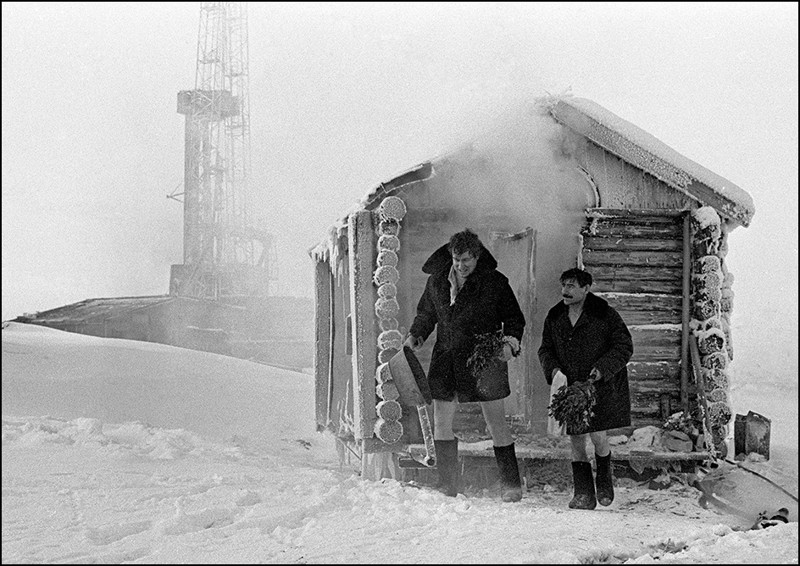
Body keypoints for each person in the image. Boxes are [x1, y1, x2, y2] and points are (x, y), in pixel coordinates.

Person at [403, 229, 526, 501]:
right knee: (441, 421)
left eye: (467, 260)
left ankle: (511, 485)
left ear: (478, 256)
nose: (461, 266)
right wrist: (416, 335)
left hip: (485, 359)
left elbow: (515, 319)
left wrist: (509, 344)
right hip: (446, 358)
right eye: (457, 260)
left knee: (496, 423)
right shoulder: (437, 281)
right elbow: (426, 314)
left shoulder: (494, 282)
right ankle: (447, 485)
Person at [538, 267, 633, 509]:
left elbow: (624, 346)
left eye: (571, 286)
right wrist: (554, 370)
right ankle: (583, 493)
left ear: (586, 288)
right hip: (571, 388)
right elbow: (545, 349)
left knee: (598, 436)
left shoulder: (605, 314)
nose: (565, 291)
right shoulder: (555, 316)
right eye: (564, 285)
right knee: (576, 439)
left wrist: (602, 368)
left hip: (599, 386)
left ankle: (604, 482)